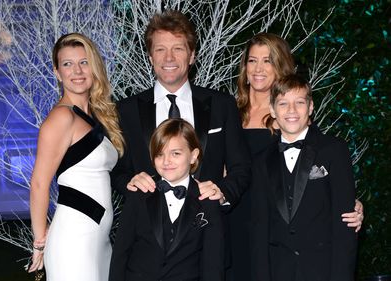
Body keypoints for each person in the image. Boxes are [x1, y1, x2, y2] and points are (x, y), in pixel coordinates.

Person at [228, 32, 363, 281]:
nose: (258, 68)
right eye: (252, 60)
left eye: (267, 60)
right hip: (238, 223)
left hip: (295, 235)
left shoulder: (295, 117)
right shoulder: (227, 112)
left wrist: (351, 205)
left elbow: (320, 154)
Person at [110, 9, 250, 208]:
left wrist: (222, 193)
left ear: (192, 55)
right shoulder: (126, 111)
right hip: (146, 230)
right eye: (160, 49)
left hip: (207, 227)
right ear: (150, 57)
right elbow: (116, 170)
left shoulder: (222, 105)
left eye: (178, 49)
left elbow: (241, 167)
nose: (169, 58)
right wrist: (129, 184)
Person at [28, 33, 125, 280]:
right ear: (57, 73)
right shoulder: (62, 118)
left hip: (98, 239)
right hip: (74, 240)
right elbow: (39, 184)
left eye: (84, 62)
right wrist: (39, 242)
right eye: (67, 64)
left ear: (94, 68)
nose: (77, 71)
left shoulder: (96, 116)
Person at [250, 74, 357, 281]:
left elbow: (345, 225)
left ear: (310, 107)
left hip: (324, 271)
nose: (291, 111)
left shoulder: (334, 150)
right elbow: (259, 229)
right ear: (272, 110)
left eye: (299, 102)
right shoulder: (261, 161)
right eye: (283, 104)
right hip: (279, 271)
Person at [109, 118, 224, 281]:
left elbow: (213, 265)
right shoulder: (139, 193)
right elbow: (120, 253)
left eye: (175, 153)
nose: (166, 161)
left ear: (193, 156)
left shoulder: (207, 200)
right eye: (159, 154)